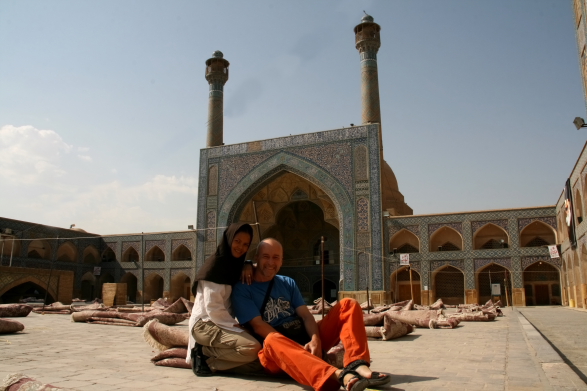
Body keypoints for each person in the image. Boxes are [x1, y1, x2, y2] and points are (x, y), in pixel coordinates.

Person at [231, 238, 390, 391]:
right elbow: (258, 326)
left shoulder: (287, 282)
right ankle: (337, 375)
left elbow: (306, 316)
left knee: (349, 304)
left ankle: (357, 364)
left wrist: (315, 339)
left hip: (303, 339)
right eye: (266, 257)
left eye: (276, 257)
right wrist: (298, 349)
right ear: (256, 258)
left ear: (281, 260)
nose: (271, 262)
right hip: (276, 353)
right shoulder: (243, 288)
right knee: (272, 339)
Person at [185, 223, 261, 376]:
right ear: (229, 239)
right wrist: (237, 327)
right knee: (251, 348)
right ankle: (205, 355)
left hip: (221, 324)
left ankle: (211, 360)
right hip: (205, 324)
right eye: (237, 241)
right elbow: (213, 308)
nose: (240, 247)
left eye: (246, 244)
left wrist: (247, 263)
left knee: (257, 365)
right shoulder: (216, 267)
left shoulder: (233, 265)